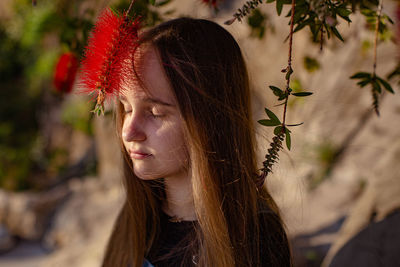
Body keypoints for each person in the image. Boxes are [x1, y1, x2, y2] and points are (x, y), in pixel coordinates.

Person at [100, 17, 292, 267]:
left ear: (210, 119)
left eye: (155, 113)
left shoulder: (255, 237)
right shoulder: (136, 223)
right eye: (126, 109)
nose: (129, 132)